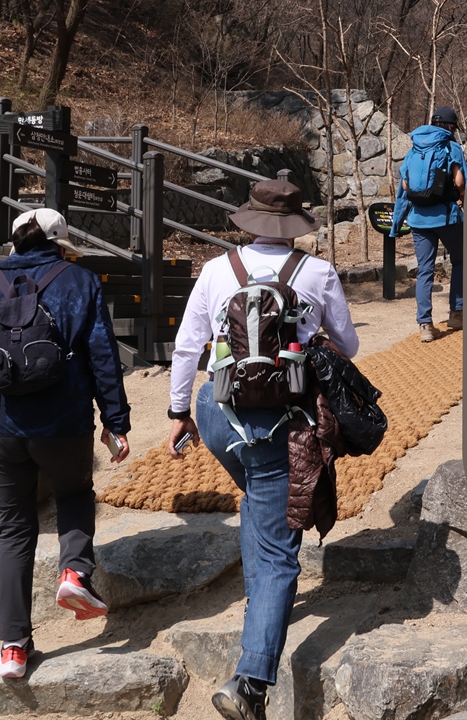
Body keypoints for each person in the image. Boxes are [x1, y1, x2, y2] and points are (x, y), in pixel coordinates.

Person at [167, 179, 358, 720]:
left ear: (249, 220)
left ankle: (260, 611)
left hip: (219, 415)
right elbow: (349, 345)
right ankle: (250, 684)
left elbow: (187, 346)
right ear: (296, 223)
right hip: (283, 421)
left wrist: (180, 411)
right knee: (279, 550)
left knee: (258, 497)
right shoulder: (315, 273)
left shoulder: (215, 269)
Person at [0, 208, 131, 680]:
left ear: (14, 241)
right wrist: (116, 420)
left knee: (14, 526)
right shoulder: (80, 281)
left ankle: (13, 649)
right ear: (60, 241)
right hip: (62, 424)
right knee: (74, 494)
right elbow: (102, 357)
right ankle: (74, 574)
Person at [391, 105, 467, 343]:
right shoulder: (451, 147)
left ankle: (425, 325)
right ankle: (457, 314)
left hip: (418, 219)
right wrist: (465, 202)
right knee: (460, 260)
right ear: (451, 126)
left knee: (425, 271)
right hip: (447, 218)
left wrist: (397, 223)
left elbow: (404, 188)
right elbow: (460, 181)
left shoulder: (414, 149)